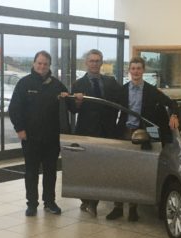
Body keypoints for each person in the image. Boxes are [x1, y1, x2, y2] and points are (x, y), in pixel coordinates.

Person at [106, 56, 179, 222]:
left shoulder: (152, 91)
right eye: (133, 69)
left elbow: (171, 103)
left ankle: (133, 209)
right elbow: (110, 111)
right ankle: (117, 207)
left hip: (142, 135)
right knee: (119, 172)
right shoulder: (122, 90)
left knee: (135, 172)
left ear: (143, 71)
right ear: (129, 71)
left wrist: (174, 115)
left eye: (139, 68)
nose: (136, 72)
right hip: (124, 133)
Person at [9, 50, 68, 217]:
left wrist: (71, 98)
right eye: (39, 63)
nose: (42, 66)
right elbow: (14, 109)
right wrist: (19, 129)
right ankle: (32, 204)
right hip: (30, 137)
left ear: (49, 66)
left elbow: (69, 104)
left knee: (50, 171)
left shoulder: (56, 85)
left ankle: (49, 202)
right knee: (31, 172)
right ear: (34, 64)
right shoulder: (24, 84)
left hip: (51, 138)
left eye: (45, 64)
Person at [67, 49, 122, 216]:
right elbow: (71, 109)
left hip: (107, 132)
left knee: (103, 168)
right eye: (92, 61)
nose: (95, 64)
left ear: (101, 63)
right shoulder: (78, 84)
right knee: (87, 169)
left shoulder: (111, 82)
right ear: (86, 63)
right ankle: (88, 201)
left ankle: (94, 201)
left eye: (98, 61)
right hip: (86, 133)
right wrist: (76, 102)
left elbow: (123, 99)